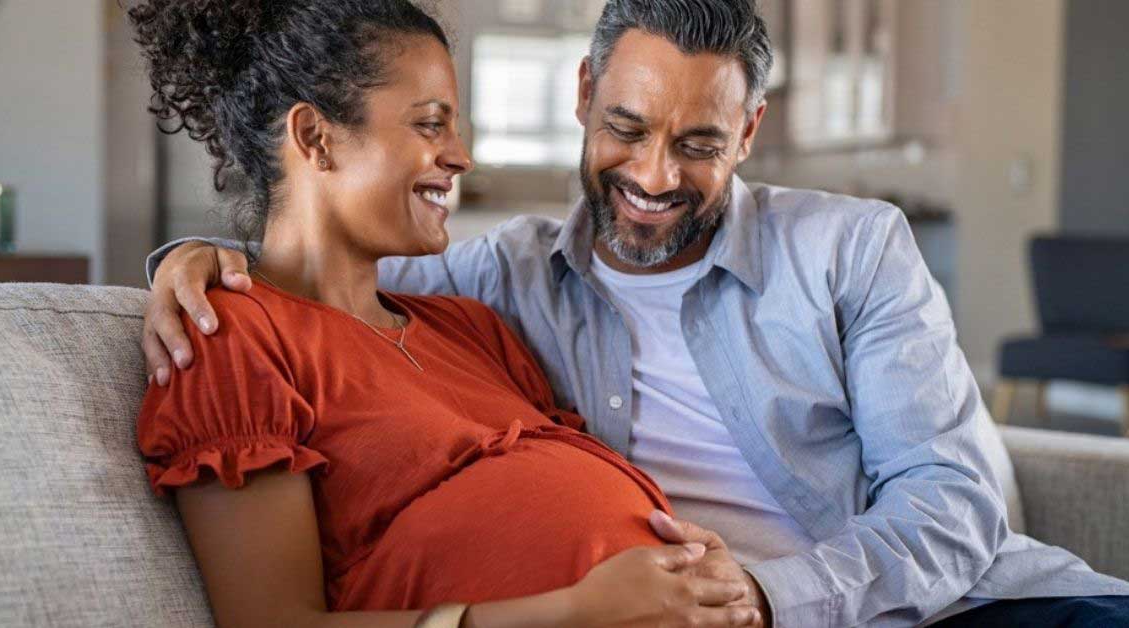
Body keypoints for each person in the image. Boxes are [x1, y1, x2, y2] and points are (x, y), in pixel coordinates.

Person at [144, 1, 1129, 626]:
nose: (656, 176)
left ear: (748, 133)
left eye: (698, 141)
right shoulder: (505, 279)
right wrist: (201, 259)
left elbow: (955, 508)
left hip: (941, 608)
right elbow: (306, 294)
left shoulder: (851, 247)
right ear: (582, 97)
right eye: (626, 128)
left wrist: (763, 593)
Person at [129, 1, 767, 627]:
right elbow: (271, 623)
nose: (461, 156)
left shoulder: (470, 326)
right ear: (315, 138)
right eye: (431, 125)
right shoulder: (232, 339)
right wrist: (572, 611)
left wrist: (689, 570)